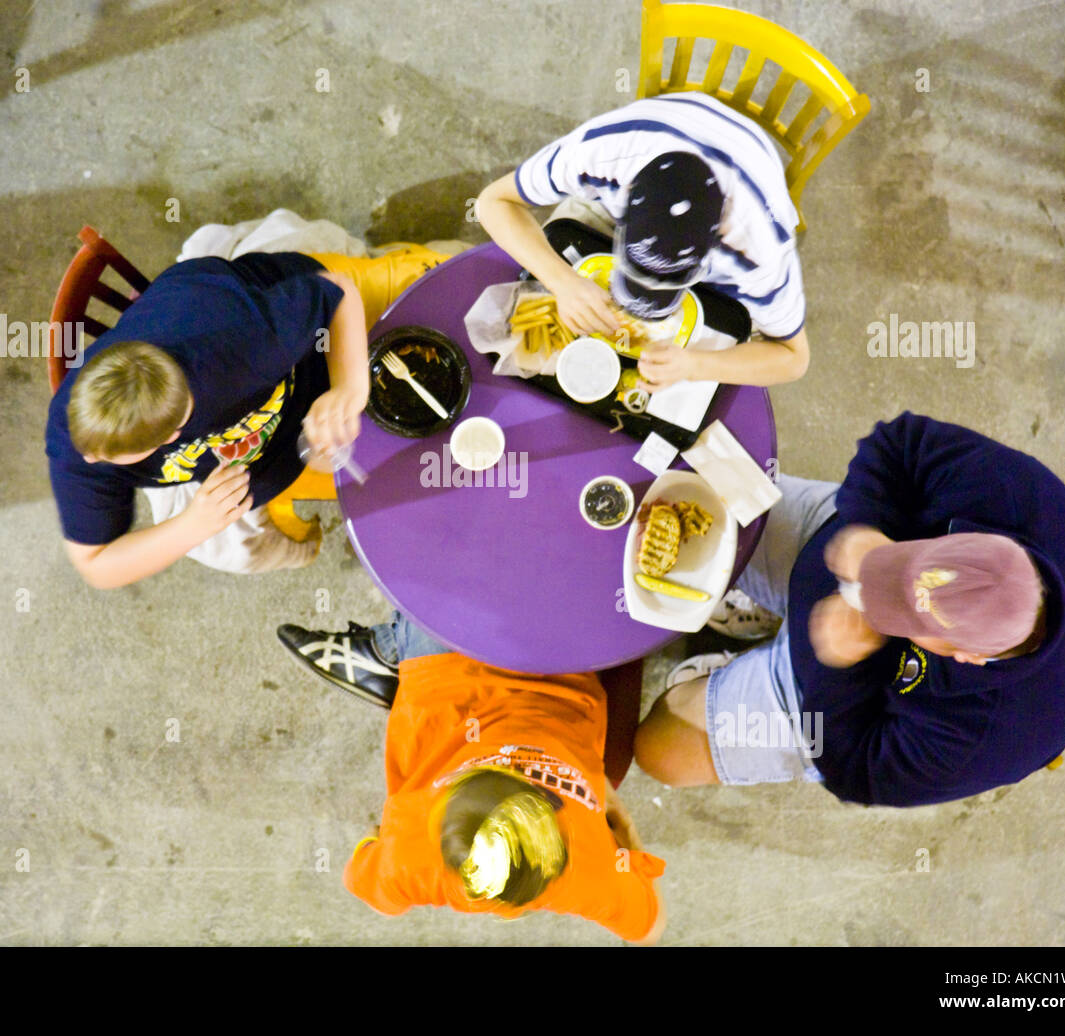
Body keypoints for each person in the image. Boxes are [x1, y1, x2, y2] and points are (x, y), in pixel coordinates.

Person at [633, 411, 1065, 807]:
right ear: (976, 535)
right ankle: (769, 614)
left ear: (965, 656)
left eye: (895, 612)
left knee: (658, 752)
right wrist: (868, 528)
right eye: (904, 561)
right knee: (670, 485)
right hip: (826, 535)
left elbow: (852, 769)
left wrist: (837, 668)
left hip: (832, 692)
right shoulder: (1017, 497)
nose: (855, 588)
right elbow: (899, 442)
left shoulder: (982, 741)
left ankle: (755, 658)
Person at [45, 247, 444, 588]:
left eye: (109, 458)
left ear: (174, 435)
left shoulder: (247, 341)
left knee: (436, 303)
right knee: (400, 482)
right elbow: (95, 565)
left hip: (310, 340)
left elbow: (338, 291)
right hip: (280, 438)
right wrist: (193, 526)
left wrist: (348, 388)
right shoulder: (79, 437)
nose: (91, 461)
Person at [280, 613, 666, 943]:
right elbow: (365, 879)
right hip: (456, 666)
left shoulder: (591, 878)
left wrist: (623, 830)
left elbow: (649, 929)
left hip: (555, 658)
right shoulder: (409, 866)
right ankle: (385, 652)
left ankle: (385, 654)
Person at [476, 92, 809, 390]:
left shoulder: (760, 251)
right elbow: (492, 202)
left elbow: (793, 358)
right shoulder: (600, 153)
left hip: (748, 173)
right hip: (641, 156)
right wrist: (561, 281)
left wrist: (694, 365)